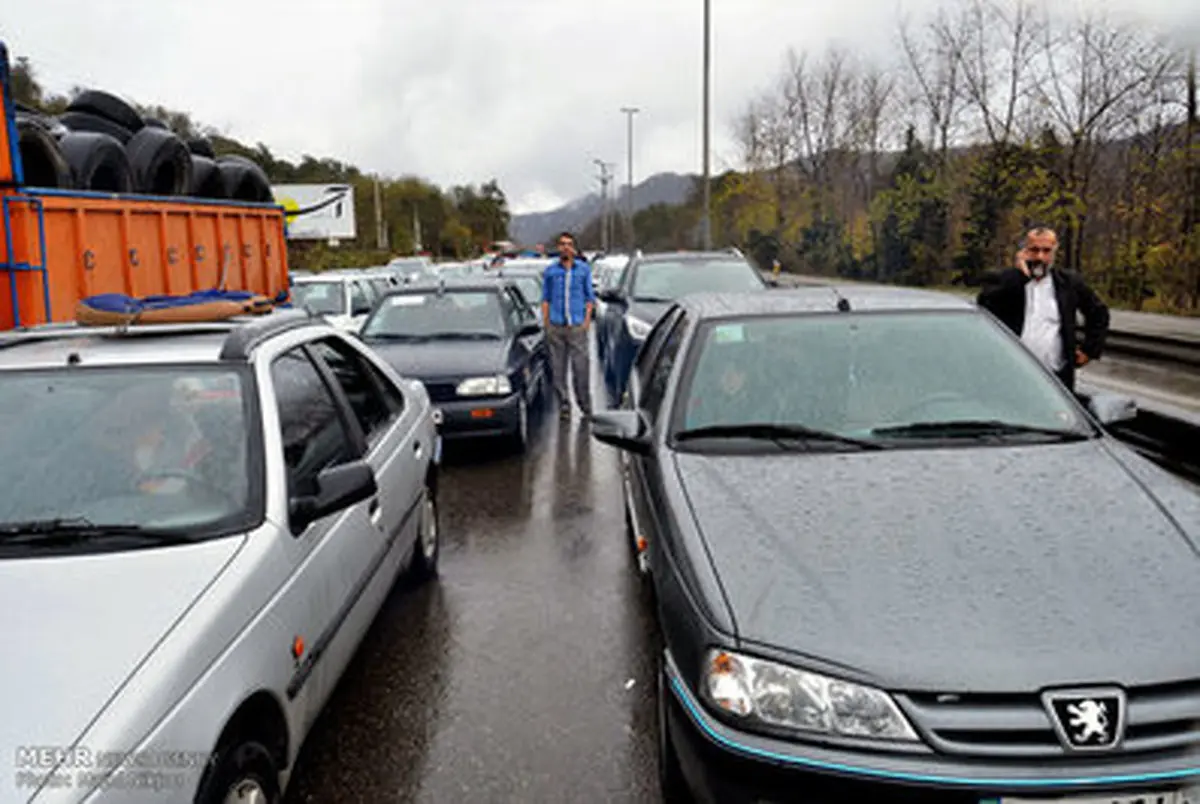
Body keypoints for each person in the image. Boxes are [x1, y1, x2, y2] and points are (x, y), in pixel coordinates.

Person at [976, 226, 1110, 391]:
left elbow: (1099, 313)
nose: (1040, 256)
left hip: (1055, 376)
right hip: (1011, 374)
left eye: (1046, 251)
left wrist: (1089, 349)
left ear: (1055, 252)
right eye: (1034, 250)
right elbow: (984, 306)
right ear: (1024, 251)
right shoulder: (1005, 280)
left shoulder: (1068, 283)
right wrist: (1020, 277)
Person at [541, 231, 596, 419]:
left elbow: (590, 298)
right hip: (556, 327)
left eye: (569, 243)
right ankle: (564, 404)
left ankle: (585, 405)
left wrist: (586, 322)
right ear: (558, 248)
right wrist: (547, 324)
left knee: (581, 368)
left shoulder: (583, 270)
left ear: (573, 248)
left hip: (577, 326)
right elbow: (545, 299)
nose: (565, 247)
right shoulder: (550, 271)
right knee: (558, 370)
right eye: (562, 243)